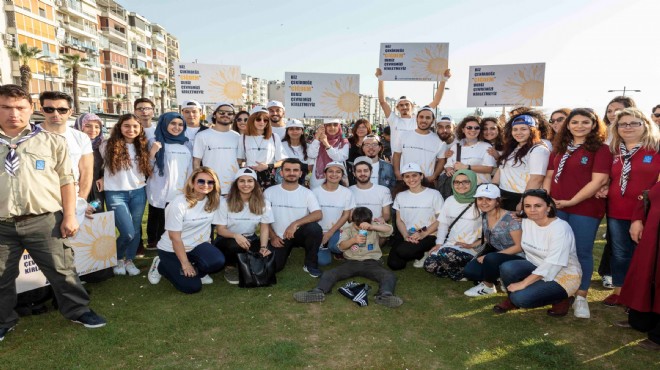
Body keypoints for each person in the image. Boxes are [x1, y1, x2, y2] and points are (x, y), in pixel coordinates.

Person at [0, 85, 106, 341]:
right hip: (2, 225)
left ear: (30, 109)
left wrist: (69, 215)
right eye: (5, 107)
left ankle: (78, 310)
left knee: (62, 270)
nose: (13, 113)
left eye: (20, 107)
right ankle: (4, 320)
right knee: (2, 277)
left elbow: (66, 181)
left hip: (44, 220)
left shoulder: (50, 141)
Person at [543, 108, 611, 319]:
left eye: (585, 122)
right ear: (568, 125)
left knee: (581, 251)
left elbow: (598, 181)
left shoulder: (601, 149)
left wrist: (572, 201)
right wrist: (546, 200)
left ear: (593, 125)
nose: (579, 126)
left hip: (585, 208)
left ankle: (581, 295)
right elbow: (549, 176)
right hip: (557, 206)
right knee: (559, 249)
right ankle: (562, 290)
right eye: (575, 122)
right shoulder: (560, 147)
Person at [601, 108, 660, 306]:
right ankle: (620, 291)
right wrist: (605, 186)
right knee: (620, 252)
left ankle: (640, 295)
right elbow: (609, 177)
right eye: (623, 124)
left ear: (645, 125)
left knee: (644, 254)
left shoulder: (656, 149)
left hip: (647, 212)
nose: (628, 127)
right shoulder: (614, 151)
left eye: (634, 123)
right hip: (617, 209)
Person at [493, 189, 582, 317]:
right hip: (536, 265)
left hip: (563, 274)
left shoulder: (560, 229)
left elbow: (552, 264)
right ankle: (512, 300)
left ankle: (561, 298)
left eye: (538, 206)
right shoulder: (527, 221)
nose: (532, 210)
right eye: (528, 206)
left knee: (521, 298)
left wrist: (524, 283)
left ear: (548, 207)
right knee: (507, 267)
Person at [293, 207, 403, 308]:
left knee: (389, 275)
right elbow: (340, 246)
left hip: (372, 262)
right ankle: (318, 292)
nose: (361, 228)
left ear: (369, 221)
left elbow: (390, 230)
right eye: (358, 225)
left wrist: (372, 226)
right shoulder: (348, 228)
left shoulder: (374, 226)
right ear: (353, 221)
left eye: (364, 224)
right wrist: (353, 240)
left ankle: (385, 296)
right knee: (329, 273)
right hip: (352, 262)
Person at [147, 167, 226, 293]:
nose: (206, 185)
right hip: (171, 249)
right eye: (201, 181)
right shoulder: (179, 204)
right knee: (192, 287)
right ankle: (161, 265)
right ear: (192, 183)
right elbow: (175, 237)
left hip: (197, 246)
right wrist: (185, 264)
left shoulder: (214, 201)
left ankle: (197, 270)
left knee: (217, 261)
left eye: (210, 182)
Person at [100, 114, 152, 276]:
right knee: (127, 231)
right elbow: (98, 165)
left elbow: (147, 168)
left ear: (140, 129)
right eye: (127, 126)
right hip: (115, 193)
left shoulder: (142, 145)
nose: (131, 130)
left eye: (135, 126)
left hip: (138, 192)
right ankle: (118, 258)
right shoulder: (107, 145)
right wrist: (100, 177)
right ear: (120, 127)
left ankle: (129, 260)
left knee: (136, 230)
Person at [598, 95, 638, 289]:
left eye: (618, 111)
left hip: (640, 204)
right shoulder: (608, 142)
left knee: (638, 246)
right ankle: (615, 280)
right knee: (617, 245)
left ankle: (636, 285)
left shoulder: (648, 146)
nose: (613, 114)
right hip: (614, 201)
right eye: (610, 110)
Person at [618, 174, 660, 350]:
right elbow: (647, 195)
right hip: (652, 233)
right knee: (645, 273)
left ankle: (658, 335)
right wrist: (637, 219)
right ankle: (640, 321)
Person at [264, 158, 323, 277]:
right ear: (281, 173)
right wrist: (273, 236)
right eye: (287, 170)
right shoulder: (269, 192)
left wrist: (295, 224)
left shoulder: (307, 193)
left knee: (314, 228)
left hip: (299, 234)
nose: (291, 173)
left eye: (295, 170)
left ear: (301, 173)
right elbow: (264, 219)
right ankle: (286, 251)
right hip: (280, 238)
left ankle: (310, 264)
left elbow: (318, 214)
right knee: (273, 267)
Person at [215, 168, 273, 285]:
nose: (246, 184)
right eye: (242, 181)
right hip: (227, 239)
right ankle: (230, 266)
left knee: (266, 256)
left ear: (255, 184)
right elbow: (220, 230)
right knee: (235, 245)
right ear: (236, 183)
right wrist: (236, 236)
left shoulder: (263, 203)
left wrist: (263, 247)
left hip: (250, 238)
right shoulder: (225, 202)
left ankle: (244, 260)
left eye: (250, 181)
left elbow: (264, 227)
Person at [462, 184, 523, 297]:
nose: (484, 202)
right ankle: (500, 277)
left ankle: (488, 286)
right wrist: (471, 245)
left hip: (517, 256)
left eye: (489, 199)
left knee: (491, 258)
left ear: (497, 201)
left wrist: (489, 257)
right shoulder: (485, 215)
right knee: (470, 271)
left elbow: (519, 246)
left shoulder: (511, 219)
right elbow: (489, 236)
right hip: (497, 254)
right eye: (480, 199)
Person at [375, 67, 450, 152]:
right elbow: (382, 102)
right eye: (401, 105)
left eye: (407, 104)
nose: (404, 107)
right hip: (398, 162)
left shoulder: (418, 119)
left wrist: (443, 80)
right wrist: (380, 80)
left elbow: (436, 102)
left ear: (412, 106)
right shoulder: (394, 120)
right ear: (397, 108)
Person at [146, 112, 192, 250]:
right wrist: (153, 152)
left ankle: (175, 247)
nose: (177, 127)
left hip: (181, 189)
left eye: (180, 124)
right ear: (165, 124)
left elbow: (191, 166)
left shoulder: (186, 143)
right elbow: (146, 168)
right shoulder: (155, 141)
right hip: (161, 189)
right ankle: (158, 249)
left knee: (177, 222)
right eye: (173, 123)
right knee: (161, 222)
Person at [424, 170, 481, 279]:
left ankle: (464, 273)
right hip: (451, 245)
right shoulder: (450, 200)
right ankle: (463, 271)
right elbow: (443, 224)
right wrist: (439, 244)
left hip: (471, 248)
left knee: (445, 255)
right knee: (429, 264)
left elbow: (488, 231)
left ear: (473, 182)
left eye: (466, 182)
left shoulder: (480, 202)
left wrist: (474, 245)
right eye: (457, 182)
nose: (461, 185)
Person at [387, 163, 444, 270]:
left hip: (429, 234)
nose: (411, 179)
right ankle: (415, 251)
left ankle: (425, 252)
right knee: (394, 264)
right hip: (407, 233)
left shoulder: (434, 194)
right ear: (403, 178)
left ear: (421, 176)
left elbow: (440, 219)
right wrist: (405, 236)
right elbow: (399, 220)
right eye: (407, 176)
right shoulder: (400, 196)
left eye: (414, 175)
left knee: (404, 251)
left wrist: (423, 234)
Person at [38, 92, 93, 201]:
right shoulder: (29, 135)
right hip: (41, 200)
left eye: (62, 110)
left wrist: (81, 200)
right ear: (42, 111)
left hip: (73, 198)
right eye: (49, 109)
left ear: (70, 112)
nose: (56, 114)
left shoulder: (81, 138)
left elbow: (86, 172)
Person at [493, 113, 550, 211]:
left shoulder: (538, 150)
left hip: (520, 197)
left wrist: (524, 202)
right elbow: (501, 170)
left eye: (523, 129)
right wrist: (492, 190)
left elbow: (537, 179)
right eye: (515, 129)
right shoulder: (512, 148)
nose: (518, 132)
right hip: (503, 195)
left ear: (532, 131)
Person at [312, 162, 355, 264]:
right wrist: (321, 232)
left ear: (342, 175)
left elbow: (346, 215)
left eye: (338, 172)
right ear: (325, 174)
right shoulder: (315, 192)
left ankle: (333, 247)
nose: (334, 174)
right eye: (330, 171)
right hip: (318, 230)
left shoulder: (347, 192)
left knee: (335, 247)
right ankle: (323, 246)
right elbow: (311, 214)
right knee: (323, 262)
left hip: (338, 230)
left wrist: (329, 233)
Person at [193, 102, 240, 195]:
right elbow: (196, 162)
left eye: (229, 113)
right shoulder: (202, 135)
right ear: (214, 114)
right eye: (222, 112)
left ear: (233, 117)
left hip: (233, 188)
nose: (225, 115)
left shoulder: (237, 136)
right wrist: (199, 183)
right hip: (210, 186)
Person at [393, 107, 446, 183]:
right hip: (406, 179)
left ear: (433, 120)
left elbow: (441, 160)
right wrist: (397, 173)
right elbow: (397, 154)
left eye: (428, 118)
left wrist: (434, 176)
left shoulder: (438, 141)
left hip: (426, 181)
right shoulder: (404, 135)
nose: (424, 120)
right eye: (421, 117)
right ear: (416, 118)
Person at [238, 109, 287, 189]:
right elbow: (239, 160)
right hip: (249, 177)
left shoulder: (274, 137)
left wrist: (267, 166)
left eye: (265, 120)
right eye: (258, 119)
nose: (262, 122)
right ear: (252, 120)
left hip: (269, 177)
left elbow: (282, 161)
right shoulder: (243, 137)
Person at [444, 116, 497, 184]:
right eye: (469, 127)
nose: (473, 130)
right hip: (460, 188)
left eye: (476, 128)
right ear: (463, 130)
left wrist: (467, 167)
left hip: (480, 188)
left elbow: (489, 169)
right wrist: (449, 171)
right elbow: (448, 165)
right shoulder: (455, 147)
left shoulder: (486, 147)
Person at [74, 113, 105, 209]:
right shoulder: (71, 146)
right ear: (80, 126)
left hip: (96, 191)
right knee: (77, 218)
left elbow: (107, 167)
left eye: (97, 127)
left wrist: (104, 178)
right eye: (88, 126)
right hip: (76, 191)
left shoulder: (101, 146)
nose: (93, 130)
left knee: (97, 218)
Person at [308, 119, 349, 189]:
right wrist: (317, 138)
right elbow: (311, 154)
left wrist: (327, 145)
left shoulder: (343, 142)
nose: (332, 127)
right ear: (324, 127)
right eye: (329, 125)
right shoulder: (317, 140)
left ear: (339, 127)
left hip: (336, 179)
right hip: (318, 180)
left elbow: (340, 158)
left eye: (335, 125)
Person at [350, 159, 393, 223]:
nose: (362, 173)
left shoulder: (384, 190)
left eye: (366, 171)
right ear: (354, 173)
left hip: (377, 227)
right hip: (355, 228)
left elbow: (386, 214)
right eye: (359, 171)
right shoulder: (348, 191)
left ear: (371, 172)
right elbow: (349, 217)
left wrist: (379, 220)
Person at [280, 119, 310, 185]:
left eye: (297, 129)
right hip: (283, 181)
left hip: (301, 181)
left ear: (302, 131)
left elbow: (310, 167)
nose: (294, 131)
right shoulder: (281, 145)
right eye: (291, 129)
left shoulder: (309, 147)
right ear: (287, 132)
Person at [347, 118, 372, 184]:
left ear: (368, 129)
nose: (360, 129)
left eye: (363, 127)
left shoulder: (372, 141)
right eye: (358, 127)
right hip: (350, 174)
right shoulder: (348, 141)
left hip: (366, 174)